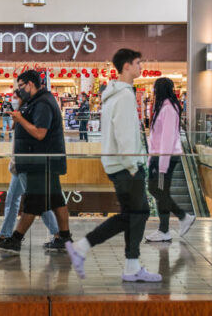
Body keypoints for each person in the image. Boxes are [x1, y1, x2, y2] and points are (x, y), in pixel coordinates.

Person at [67, 49, 161, 282]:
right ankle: (83, 246)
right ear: (127, 66)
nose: (141, 67)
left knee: (134, 213)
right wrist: (133, 165)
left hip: (116, 163)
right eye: (138, 63)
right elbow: (125, 134)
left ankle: (130, 264)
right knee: (136, 212)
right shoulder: (125, 96)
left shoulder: (113, 95)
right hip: (126, 165)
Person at [0, 70, 72, 254]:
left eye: (21, 86)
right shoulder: (37, 102)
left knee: (34, 203)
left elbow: (40, 133)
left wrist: (20, 119)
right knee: (56, 200)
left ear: (30, 84)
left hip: (41, 162)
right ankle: (64, 238)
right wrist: (20, 119)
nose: (19, 90)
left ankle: (15, 240)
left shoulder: (43, 103)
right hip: (39, 160)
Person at [144, 77, 196, 242]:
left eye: (155, 89)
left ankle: (180, 218)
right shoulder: (165, 107)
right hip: (159, 157)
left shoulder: (168, 109)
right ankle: (165, 228)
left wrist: (161, 165)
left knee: (157, 190)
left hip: (164, 158)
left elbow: (167, 138)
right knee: (159, 191)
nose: (153, 92)